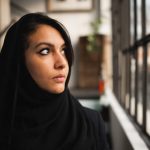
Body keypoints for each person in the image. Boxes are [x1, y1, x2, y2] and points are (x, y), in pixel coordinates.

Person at [0, 12, 109, 150]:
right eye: (45, 51)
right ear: (19, 62)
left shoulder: (91, 124)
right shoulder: (4, 127)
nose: (62, 63)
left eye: (63, 50)